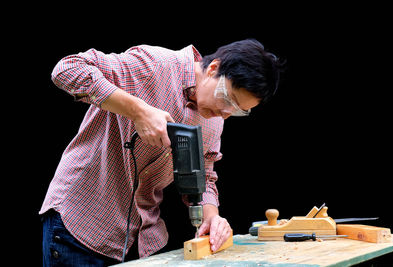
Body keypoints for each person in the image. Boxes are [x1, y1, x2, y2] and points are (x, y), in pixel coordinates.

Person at [40, 39, 283, 266]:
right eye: (228, 99)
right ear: (213, 69)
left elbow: (205, 174)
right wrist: (139, 111)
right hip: (81, 227)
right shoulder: (155, 65)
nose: (226, 114)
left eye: (239, 111)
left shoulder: (214, 120)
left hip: (143, 240)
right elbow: (68, 68)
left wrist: (212, 216)